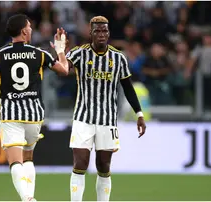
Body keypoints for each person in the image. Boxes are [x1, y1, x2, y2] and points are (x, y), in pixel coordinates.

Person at [0, 14, 69, 201]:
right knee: (28, 158)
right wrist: (60, 50)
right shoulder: (40, 53)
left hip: (11, 114)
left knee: (15, 162)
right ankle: (30, 197)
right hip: (34, 115)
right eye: (29, 26)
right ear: (23, 31)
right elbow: (64, 70)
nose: (31, 29)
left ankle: (28, 199)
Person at [64, 16, 147, 201]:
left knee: (103, 166)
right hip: (83, 118)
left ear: (108, 33)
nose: (101, 34)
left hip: (107, 120)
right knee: (81, 163)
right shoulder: (79, 53)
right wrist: (61, 52)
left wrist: (139, 114)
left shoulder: (118, 58)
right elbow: (62, 69)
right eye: (97, 31)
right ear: (90, 33)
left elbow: (128, 87)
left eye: (104, 31)